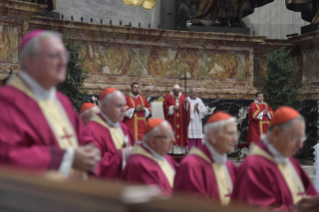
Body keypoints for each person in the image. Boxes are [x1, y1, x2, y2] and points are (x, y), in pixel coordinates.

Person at [0, 30, 101, 178]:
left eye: (64, 55)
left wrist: (91, 155)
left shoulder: (62, 101)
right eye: (55, 56)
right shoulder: (6, 100)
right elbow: (7, 156)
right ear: (30, 62)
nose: (63, 62)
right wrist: (66, 159)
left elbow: (85, 140)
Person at [231, 106, 318, 211]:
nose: (300, 145)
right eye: (296, 138)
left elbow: (310, 195)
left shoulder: (291, 162)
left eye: (302, 138)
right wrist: (295, 209)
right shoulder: (254, 166)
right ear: (276, 133)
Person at [174, 112, 238, 205]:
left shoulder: (229, 166)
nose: (235, 139)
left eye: (236, 134)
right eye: (231, 133)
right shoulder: (191, 166)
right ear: (213, 136)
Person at [86, 88, 135, 180]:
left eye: (124, 105)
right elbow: (93, 165)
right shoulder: (91, 130)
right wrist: (122, 155)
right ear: (104, 106)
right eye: (119, 106)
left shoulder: (122, 127)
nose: (124, 110)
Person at [122, 118, 178, 195]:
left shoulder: (164, 156)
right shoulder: (139, 165)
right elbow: (156, 200)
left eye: (173, 135)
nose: (174, 140)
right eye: (168, 137)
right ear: (153, 142)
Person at [163, 85, 190, 154]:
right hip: (172, 120)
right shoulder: (168, 97)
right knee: (172, 133)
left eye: (178, 92)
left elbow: (187, 108)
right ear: (173, 91)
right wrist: (172, 108)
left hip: (182, 120)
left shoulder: (183, 96)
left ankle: (181, 152)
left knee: (181, 134)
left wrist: (186, 103)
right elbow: (165, 107)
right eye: (175, 92)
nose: (177, 93)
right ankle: (171, 151)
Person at [187, 87, 206, 151]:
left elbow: (204, 110)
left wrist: (198, 109)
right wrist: (193, 108)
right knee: (191, 136)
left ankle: (198, 152)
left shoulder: (199, 100)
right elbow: (185, 110)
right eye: (193, 92)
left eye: (195, 92)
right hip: (191, 122)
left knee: (198, 136)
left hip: (197, 121)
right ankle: (191, 152)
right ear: (190, 92)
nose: (194, 93)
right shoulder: (187, 100)